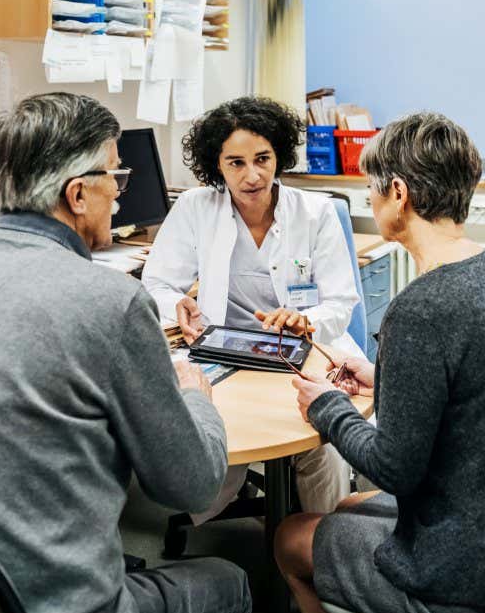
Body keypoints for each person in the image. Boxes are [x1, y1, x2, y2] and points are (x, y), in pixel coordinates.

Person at [0, 93, 250, 613]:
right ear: (78, 194)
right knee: (228, 579)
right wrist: (197, 400)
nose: (120, 196)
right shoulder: (110, 301)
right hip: (43, 602)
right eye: (114, 178)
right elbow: (191, 486)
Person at [274, 112, 485, 613]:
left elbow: (394, 470)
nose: (368, 198)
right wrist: (385, 379)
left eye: (371, 187)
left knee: (290, 537)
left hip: (473, 576)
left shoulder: (420, 309)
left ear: (398, 193)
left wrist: (327, 407)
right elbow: (471, 392)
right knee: (348, 506)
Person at [142, 95, 361, 516]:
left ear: (279, 154)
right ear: (217, 165)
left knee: (322, 443)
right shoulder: (196, 208)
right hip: (225, 353)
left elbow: (340, 303)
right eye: (235, 163)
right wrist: (177, 306)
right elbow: (157, 283)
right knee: (215, 434)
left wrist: (304, 320)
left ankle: (327, 543)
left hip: (303, 350)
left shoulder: (314, 214)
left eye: (262, 158)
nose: (252, 175)